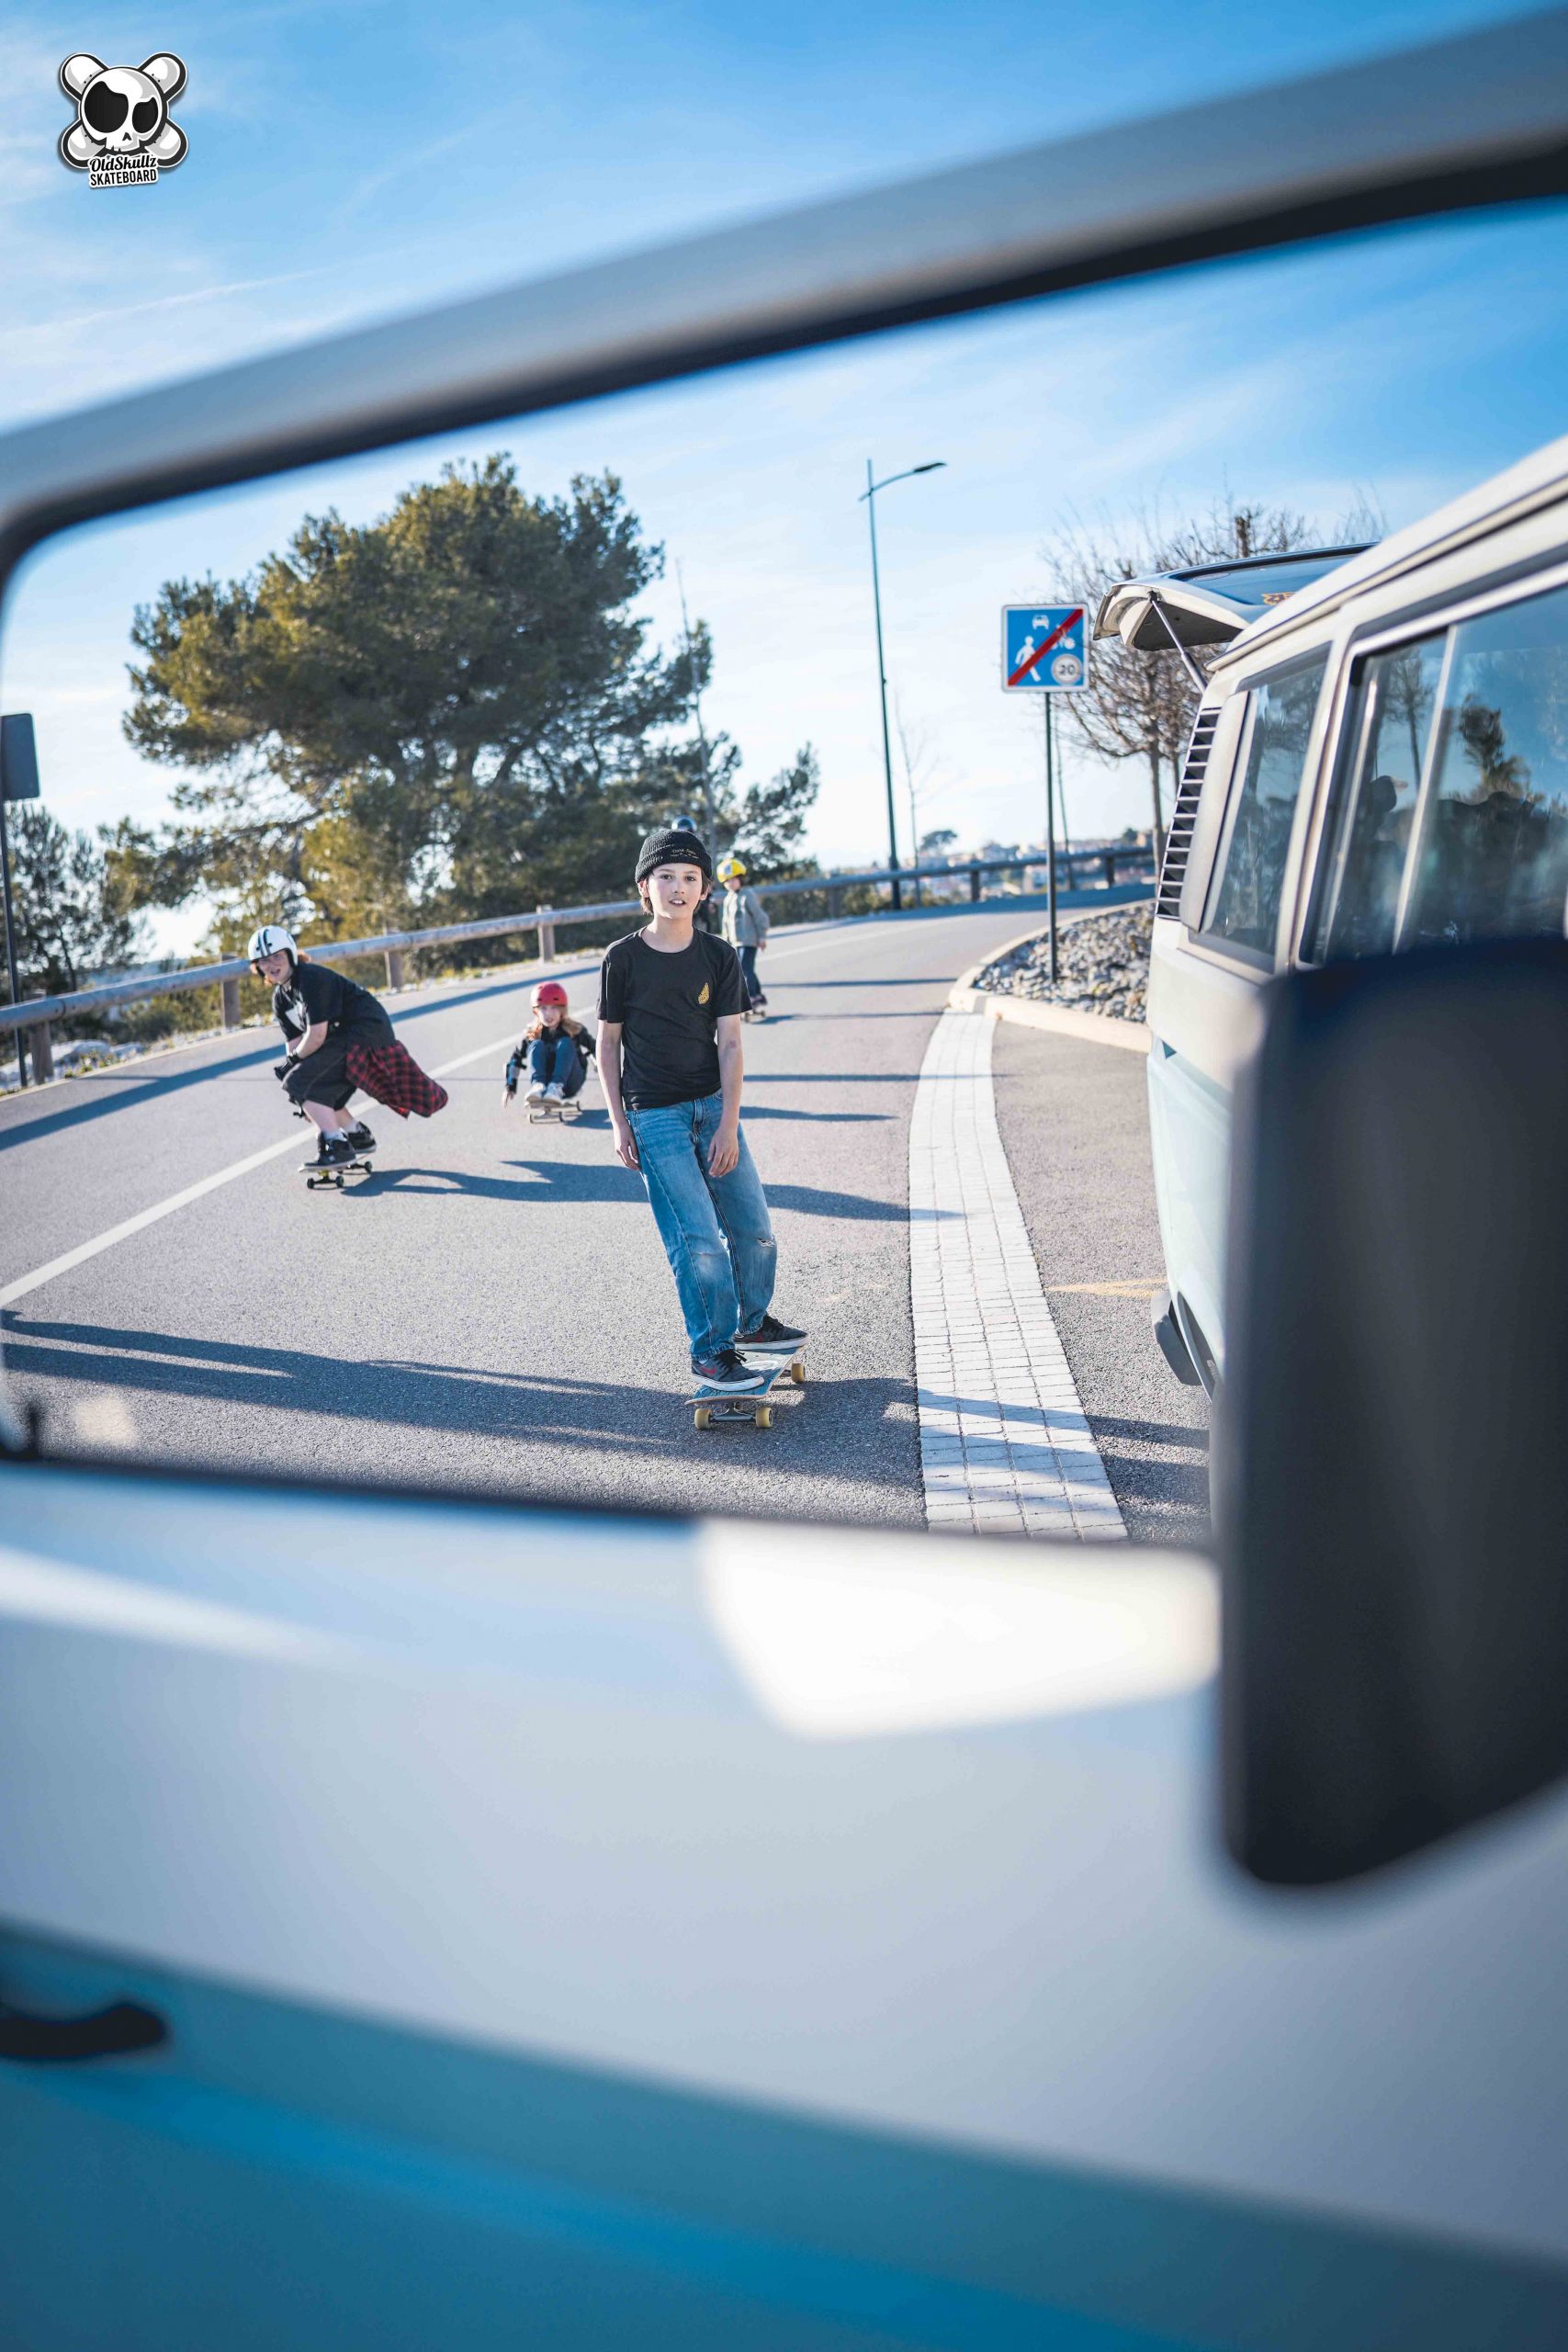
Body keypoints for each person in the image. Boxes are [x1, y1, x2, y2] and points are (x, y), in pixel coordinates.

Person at [596, 828, 805, 1396]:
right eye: (666, 877)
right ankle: (711, 1351)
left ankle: (753, 1324)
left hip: (713, 1106)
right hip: (654, 1116)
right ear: (645, 887)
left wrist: (729, 1124)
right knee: (699, 1241)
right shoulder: (622, 959)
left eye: (690, 878)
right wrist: (619, 1123)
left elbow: (732, 1043)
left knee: (754, 1228)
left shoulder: (717, 955)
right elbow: (608, 1045)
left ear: (706, 890)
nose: (678, 888)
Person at [248, 924, 447, 1170]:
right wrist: (292, 1066)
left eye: (277, 956)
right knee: (309, 1090)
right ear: (257, 966)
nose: (271, 965)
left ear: (290, 954)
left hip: (365, 1031)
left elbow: (317, 1035)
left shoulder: (309, 978)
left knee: (299, 1082)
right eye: (263, 961)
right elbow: (295, 1042)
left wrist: (292, 1067)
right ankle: (357, 1136)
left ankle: (337, 1147)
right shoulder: (281, 998)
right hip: (343, 1037)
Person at [504, 980, 594, 1108]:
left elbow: (598, 1049)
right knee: (536, 1044)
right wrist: (510, 1086)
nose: (548, 1014)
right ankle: (538, 1086)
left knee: (565, 1042)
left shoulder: (575, 1030)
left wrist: (607, 1076)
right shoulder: (532, 1034)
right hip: (544, 1085)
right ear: (536, 1011)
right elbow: (515, 1059)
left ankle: (556, 1087)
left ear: (562, 1009)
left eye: (554, 1008)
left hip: (570, 1083)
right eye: (543, 1008)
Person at [716, 854, 770, 1015]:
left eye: (733, 879)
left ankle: (752, 997)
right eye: (727, 881)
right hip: (735, 942)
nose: (730, 883)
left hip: (749, 940)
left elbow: (760, 917)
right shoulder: (728, 899)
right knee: (742, 970)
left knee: (746, 970)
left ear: (741, 878)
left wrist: (762, 936)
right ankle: (758, 995)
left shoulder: (748, 895)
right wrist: (725, 943)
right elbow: (726, 923)